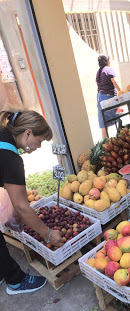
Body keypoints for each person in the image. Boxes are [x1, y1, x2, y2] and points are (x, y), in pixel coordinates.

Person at [0, 110, 64, 294]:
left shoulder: (3, 134)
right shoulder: (12, 159)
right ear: (28, 133)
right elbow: (22, 205)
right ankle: (16, 281)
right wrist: (48, 233)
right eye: (40, 140)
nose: (39, 146)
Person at [96, 54, 121, 139]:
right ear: (107, 61)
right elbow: (115, 82)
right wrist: (121, 92)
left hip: (99, 98)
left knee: (103, 122)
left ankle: (105, 142)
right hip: (108, 97)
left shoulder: (98, 72)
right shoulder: (108, 69)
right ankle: (121, 136)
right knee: (119, 114)